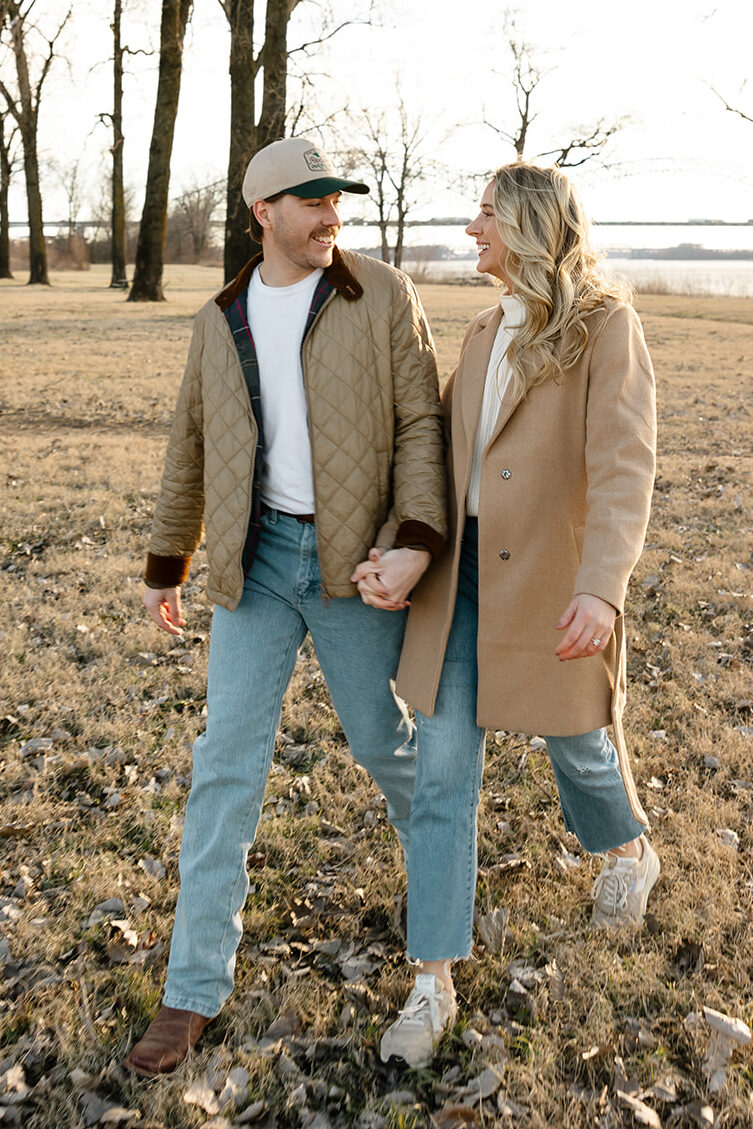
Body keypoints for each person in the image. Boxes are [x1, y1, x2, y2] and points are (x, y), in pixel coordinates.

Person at [123, 137, 447, 1077]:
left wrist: (414, 542)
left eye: (336, 198)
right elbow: (188, 444)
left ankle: (441, 897)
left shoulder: (378, 294)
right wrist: (165, 561)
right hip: (256, 566)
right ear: (262, 212)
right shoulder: (219, 315)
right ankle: (191, 988)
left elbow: (421, 422)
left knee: (384, 742)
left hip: (353, 565)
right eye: (312, 201)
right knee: (224, 763)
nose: (330, 214)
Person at [353, 162, 660, 1069]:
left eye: (484, 213)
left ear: (527, 224)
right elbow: (443, 464)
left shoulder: (607, 326)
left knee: (578, 743)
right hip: (461, 587)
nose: (470, 227)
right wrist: (398, 545)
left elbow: (623, 466)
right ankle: (433, 979)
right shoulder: (482, 330)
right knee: (442, 776)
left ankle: (630, 849)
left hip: (551, 584)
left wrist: (602, 585)